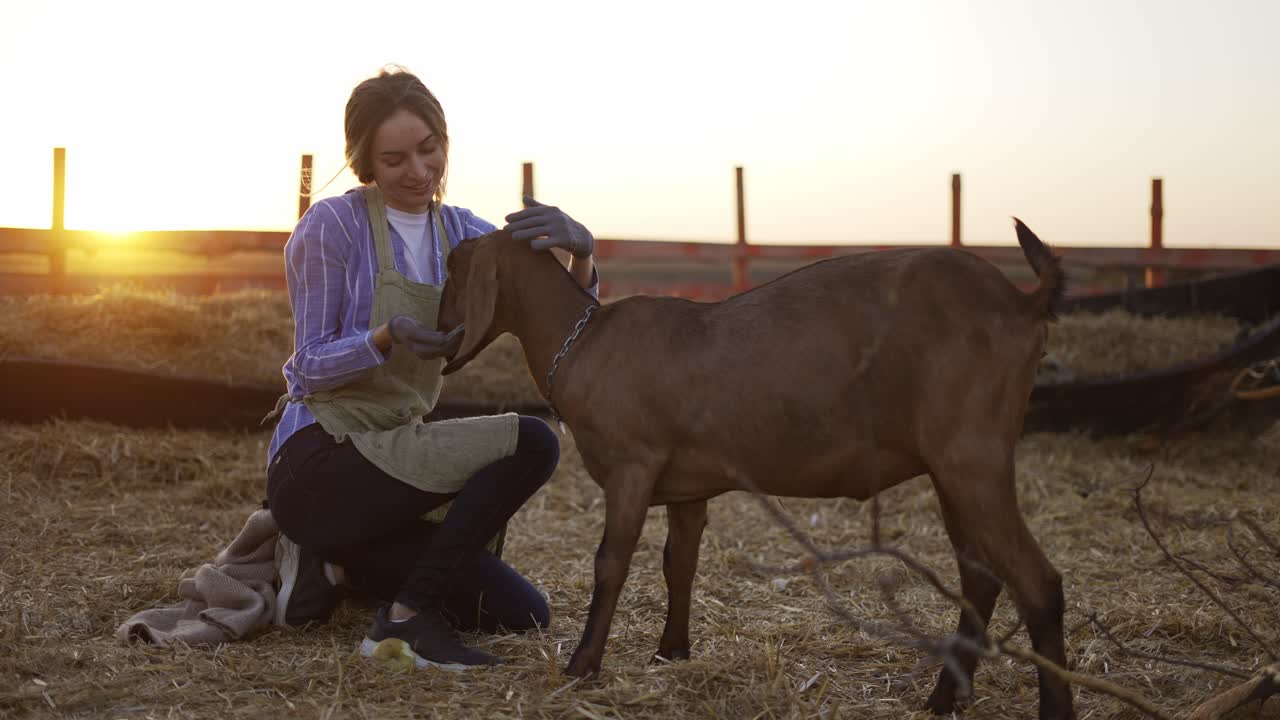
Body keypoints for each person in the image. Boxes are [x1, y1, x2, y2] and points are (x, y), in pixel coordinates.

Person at [263, 66, 599, 670]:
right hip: (321, 463)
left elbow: (571, 324)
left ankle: (332, 567)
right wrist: (383, 337)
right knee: (534, 441)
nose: (419, 171)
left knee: (520, 612)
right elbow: (307, 368)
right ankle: (405, 620)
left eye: (429, 149)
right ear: (365, 162)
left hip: (398, 452)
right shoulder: (332, 226)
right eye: (394, 160)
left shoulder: (466, 236)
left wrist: (580, 254)